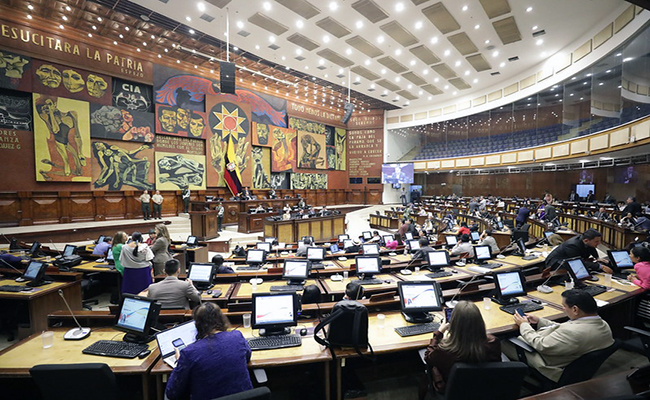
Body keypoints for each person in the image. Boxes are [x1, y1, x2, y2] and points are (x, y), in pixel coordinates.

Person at [506, 290, 614, 382]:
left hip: (548, 362)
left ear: (575, 309)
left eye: (564, 306)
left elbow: (540, 345)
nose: (563, 309)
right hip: (570, 356)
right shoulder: (602, 324)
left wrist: (524, 325)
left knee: (500, 342)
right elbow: (564, 327)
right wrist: (540, 321)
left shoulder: (572, 332)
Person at [165, 303, 252, 400]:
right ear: (222, 319)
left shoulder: (189, 353)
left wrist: (178, 362)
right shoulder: (237, 336)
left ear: (197, 325)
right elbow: (247, 356)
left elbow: (171, 393)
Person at [424, 301, 501, 393]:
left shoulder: (444, 350)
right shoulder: (493, 342)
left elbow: (428, 357)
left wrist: (439, 333)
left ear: (453, 324)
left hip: (454, 392)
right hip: (486, 389)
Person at [545, 229, 612, 274]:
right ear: (586, 240)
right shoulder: (572, 245)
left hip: (569, 260)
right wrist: (601, 266)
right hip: (556, 264)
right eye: (597, 241)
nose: (599, 243)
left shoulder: (585, 240)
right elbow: (578, 262)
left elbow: (591, 247)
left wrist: (597, 258)